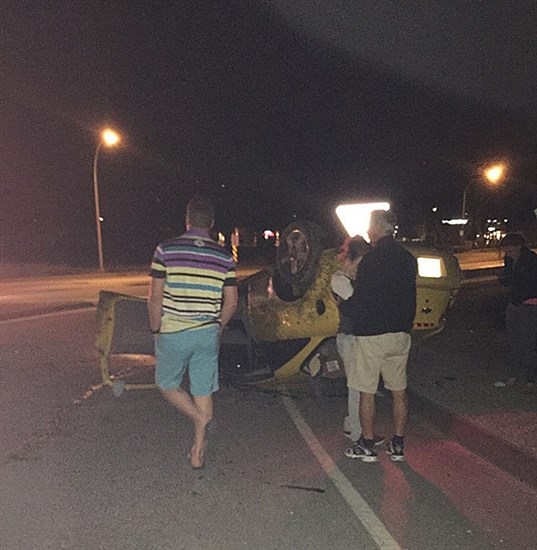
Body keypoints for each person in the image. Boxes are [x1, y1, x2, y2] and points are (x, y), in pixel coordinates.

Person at [148, 196, 238, 469]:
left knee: (166, 384)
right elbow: (231, 302)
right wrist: (217, 327)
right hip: (207, 333)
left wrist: (155, 329)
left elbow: (155, 296)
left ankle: (200, 418)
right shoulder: (224, 256)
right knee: (203, 389)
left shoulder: (166, 249)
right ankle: (198, 452)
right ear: (211, 224)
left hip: (175, 331)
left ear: (187, 220)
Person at [340, 210, 417, 463]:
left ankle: (367, 444)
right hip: (400, 333)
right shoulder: (408, 259)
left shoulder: (371, 261)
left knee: (366, 390)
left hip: (373, 334)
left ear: (376, 228)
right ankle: (397, 444)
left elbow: (361, 300)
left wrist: (344, 304)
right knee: (398, 390)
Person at [331, 236, 384, 447]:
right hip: (350, 337)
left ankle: (352, 425)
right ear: (353, 256)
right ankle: (358, 433)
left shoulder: (354, 276)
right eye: (363, 259)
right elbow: (358, 305)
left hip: (357, 337)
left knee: (358, 385)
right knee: (357, 386)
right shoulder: (340, 278)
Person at [498, 233, 537, 393]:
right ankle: (515, 374)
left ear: (518, 247)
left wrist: (520, 297)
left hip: (529, 304)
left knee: (527, 343)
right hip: (514, 303)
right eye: (506, 251)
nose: (508, 254)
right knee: (514, 341)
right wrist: (502, 275)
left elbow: (530, 285)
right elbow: (508, 281)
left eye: (510, 251)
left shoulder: (531, 261)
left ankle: (527, 378)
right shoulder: (510, 260)